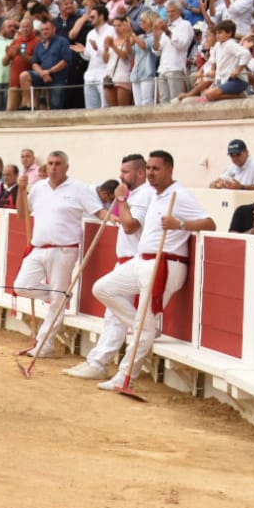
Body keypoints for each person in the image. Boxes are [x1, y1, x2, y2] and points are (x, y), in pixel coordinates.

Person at [93, 150, 215, 394]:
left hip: (165, 263)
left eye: (156, 169)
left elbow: (210, 223)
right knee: (102, 288)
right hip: (143, 260)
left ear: (169, 170)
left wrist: (181, 225)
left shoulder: (179, 196)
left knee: (141, 321)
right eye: (148, 168)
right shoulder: (156, 196)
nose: (150, 173)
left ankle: (125, 376)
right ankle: (145, 328)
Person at [67, 154, 152, 381]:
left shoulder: (142, 195)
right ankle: (98, 361)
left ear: (140, 173)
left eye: (126, 172)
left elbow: (131, 227)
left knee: (114, 315)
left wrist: (122, 201)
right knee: (112, 315)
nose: (121, 176)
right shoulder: (136, 194)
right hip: (126, 260)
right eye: (121, 171)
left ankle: (101, 361)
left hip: (133, 261)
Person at [14, 151, 105, 358]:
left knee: (56, 301)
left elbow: (98, 211)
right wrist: (21, 190)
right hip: (38, 248)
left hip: (64, 250)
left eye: (58, 164)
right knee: (21, 286)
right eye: (51, 163)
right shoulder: (38, 188)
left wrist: (113, 217)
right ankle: (60, 296)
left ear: (66, 167)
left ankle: (45, 344)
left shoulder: (79, 188)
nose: (54, 167)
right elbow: (22, 214)